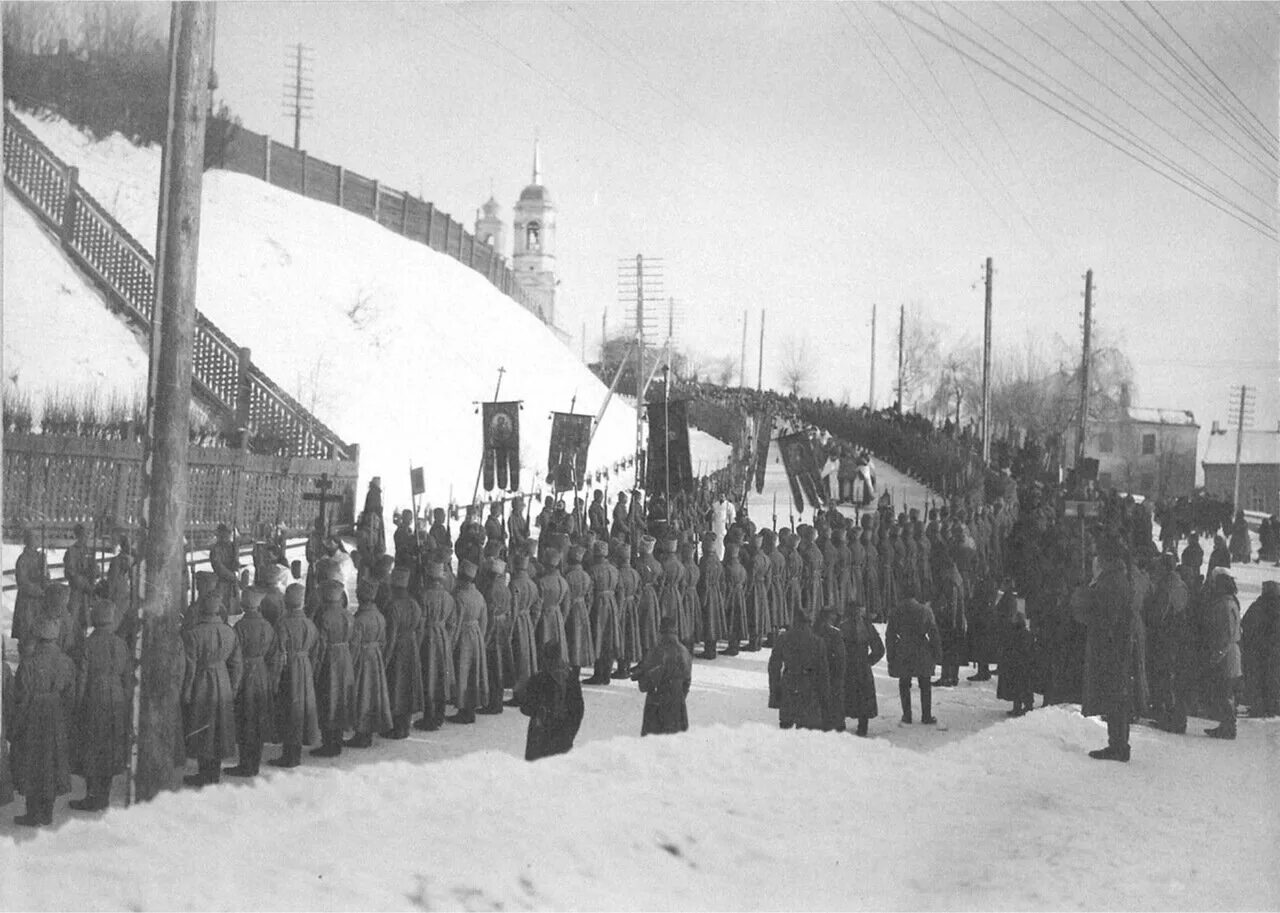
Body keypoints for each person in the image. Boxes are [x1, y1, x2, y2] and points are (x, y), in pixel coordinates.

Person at [11, 617, 76, 826]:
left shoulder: (28, 663)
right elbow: (71, 696)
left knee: (32, 761)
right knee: (53, 761)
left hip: (33, 715)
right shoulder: (66, 662)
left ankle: (32, 813)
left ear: (37, 635)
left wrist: (15, 727)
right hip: (56, 715)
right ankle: (47, 813)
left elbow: (20, 697)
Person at [68, 599, 131, 811]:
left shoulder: (87, 644)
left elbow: (82, 678)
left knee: (92, 745)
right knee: (111, 745)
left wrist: (76, 705)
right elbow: (128, 677)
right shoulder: (121, 643)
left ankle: (91, 796)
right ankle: (103, 795)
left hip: (94, 695)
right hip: (117, 696)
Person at [181, 588, 243, 786]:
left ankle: (204, 773)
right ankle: (213, 772)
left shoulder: (193, 634)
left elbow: (189, 667)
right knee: (218, 728)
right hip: (223, 680)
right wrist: (233, 688)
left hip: (202, 682)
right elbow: (237, 664)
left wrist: (186, 691)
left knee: (202, 726)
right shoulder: (229, 632)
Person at [1082, 536, 1134, 761]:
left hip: (1111, 647)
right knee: (1117, 696)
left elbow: (1102, 616)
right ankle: (1119, 743)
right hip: (1118, 646)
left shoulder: (1110, 582)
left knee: (1115, 696)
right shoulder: (1118, 578)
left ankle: (1118, 745)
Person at [223, 589, 277, 777]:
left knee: (245, 718)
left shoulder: (239, 627)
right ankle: (255, 762)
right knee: (259, 718)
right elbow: (274, 655)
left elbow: (233, 655)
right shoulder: (268, 626)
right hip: (262, 673)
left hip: (245, 674)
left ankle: (245, 763)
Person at [269, 584, 320, 768]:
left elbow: (279, 653)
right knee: (302, 710)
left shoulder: (283, 624)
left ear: (286, 601)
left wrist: (274, 680)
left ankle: (289, 755)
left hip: (288, 670)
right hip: (305, 668)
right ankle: (296, 753)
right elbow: (316, 652)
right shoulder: (310, 624)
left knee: (289, 710)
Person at [346, 578, 393, 747]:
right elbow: (384, 641)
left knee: (362, 695)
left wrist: (349, 664)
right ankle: (369, 731)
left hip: (363, 659)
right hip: (376, 658)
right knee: (374, 694)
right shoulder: (379, 616)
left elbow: (354, 645)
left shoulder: (359, 619)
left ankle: (361, 734)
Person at [311, 580, 355, 757]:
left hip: (330, 659)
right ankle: (338, 738)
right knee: (341, 698)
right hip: (345, 657)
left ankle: (328, 743)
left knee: (327, 698)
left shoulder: (323, 616)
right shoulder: (348, 615)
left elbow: (319, 645)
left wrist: (315, 667)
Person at [521, 641, 585, 761]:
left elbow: (525, 708)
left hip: (539, 738)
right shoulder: (571, 678)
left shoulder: (537, 679)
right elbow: (578, 710)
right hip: (564, 737)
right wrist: (570, 734)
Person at [767, 609, 830, 730]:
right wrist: (824, 696)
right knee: (807, 729)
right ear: (809, 623)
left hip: (789, 684)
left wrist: (775, 692)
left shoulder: (783, 638)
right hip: (810, 686)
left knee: (786, 726)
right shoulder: (818, 641)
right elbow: (823, 672)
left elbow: (773, 667)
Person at [381, 567, 424, 738]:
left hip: (398, 647)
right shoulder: (414, 603)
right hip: (412, 645)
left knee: (397, 685)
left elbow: (390, 636)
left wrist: (385, 658)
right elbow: (420, 629)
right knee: (409, 685)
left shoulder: (393, 606)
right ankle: (405, 725)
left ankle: (397, 728)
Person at [632, 616, 692, 735]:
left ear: (660, 631)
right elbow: (687, 681)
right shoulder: (684, 651)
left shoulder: (657, 651)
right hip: (678, 703)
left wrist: (640, 678)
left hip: (657, 703)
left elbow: (647, 682)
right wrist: (680, 695)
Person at [886, 596, 941, 725]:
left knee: (904, 683)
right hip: (922, 649)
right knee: (925, 683)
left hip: (903, 649)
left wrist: (891, 654)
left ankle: (907, 715)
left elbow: (890, 635)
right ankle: (926, 715)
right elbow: (934, 633)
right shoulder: (925, 610)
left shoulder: (895, 611)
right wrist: (936, 652)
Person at [415, 562, 456, 732]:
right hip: (443, 637)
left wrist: (417, 643)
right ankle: (440, 714)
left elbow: (421, 623)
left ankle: (429, 717)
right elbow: (452, 623)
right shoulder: (448, 597)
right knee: (441, 675)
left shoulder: (424, 596)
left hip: (428, 637)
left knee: (429, 675)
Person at [1203, 569, 1242, 739]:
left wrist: (1217, 654)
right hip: (1230, 652)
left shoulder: (1225, 605)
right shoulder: (1230, 602)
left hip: (1226, 653)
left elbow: (1226, 633)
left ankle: (1228, 726)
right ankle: (1226, 724)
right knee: (1226, 690)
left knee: (1225, 690)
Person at [449, 560, 489, 724]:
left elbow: (455, 623)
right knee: (474, 672)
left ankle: (463, 709)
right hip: (477, 634)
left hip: (463, 636)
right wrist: (482, 637)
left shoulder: (459, 597)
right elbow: (484, 620)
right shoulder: (479, 595)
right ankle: (471, 707)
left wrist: (451, 643)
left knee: (463, 672)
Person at [842, 602, 884, 737]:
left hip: (846, 666)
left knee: (844, 694)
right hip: (862, 666)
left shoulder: (841, 626)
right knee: (863, 697)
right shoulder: (866, 627)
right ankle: (862, 727)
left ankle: (840, 725)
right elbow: (879, 649)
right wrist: (868, 661)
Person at [1241, 580, 1280, 718]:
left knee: (1257, 679)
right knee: (1273, 679)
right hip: (1274, 652)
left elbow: (1246, 623)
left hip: (1258, 650)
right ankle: (1273, 706)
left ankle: (1259, 707)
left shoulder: (1259, 606)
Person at [584, 541, 621, 685]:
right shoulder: (614, 569)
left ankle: (598, 674)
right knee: (610, 639)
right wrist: (618, 607)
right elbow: (621, 591)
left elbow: (589, 594)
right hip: (612, 605)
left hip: (598, 606)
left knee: (598, 638)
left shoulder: (592, 570)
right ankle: (607, 673)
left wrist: (587, 610)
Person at [479, 558, 513, 713]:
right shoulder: (505, 587)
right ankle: (497, 700)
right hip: (504, 626)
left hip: (494, 630)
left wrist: (486, 637)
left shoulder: (491, 588)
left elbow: (490, 615)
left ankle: (493, 703)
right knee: (499, 665)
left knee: (492, 666)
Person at [508, 553, 541, 699]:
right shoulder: (533, 585)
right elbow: (537, 607)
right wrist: (532, 623)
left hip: (517, 622)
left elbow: (513, 608)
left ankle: (519, 693)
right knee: (527, 656)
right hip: (527, 621)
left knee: (518, 657)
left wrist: (509, 630)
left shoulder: (514, 584)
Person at [997, 606, 1035, 717]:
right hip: (1023, 664)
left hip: (1016, 664)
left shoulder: (1013, 633)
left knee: (1017, 687)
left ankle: (1020, 707)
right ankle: (1026, 706)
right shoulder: (1025, 633)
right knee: (1024, 687)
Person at [12, 530, 48, 646]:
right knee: (26, 633)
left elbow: (46, 577)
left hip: (39, 602)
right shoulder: (22, 559)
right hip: (27, 603)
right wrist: (38, 591)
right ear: (27, 541)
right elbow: (22, 582)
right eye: (34, 538)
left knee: (39, 632)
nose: (37, 541)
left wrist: (45, 574)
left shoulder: (41, 558)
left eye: (38, 538)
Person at [815, 609, 847, 732]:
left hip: (818, 673)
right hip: (833, 673)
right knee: (835, 700)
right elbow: (841, 658)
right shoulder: (835, 634)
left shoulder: (814, 632)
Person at [63, 523, 98, 631]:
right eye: (83, 535)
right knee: (73, 620)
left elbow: (95, 571)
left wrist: (96, 571)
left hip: (87, 595)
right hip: (76, 592)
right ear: (79, 535)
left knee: (85, 621)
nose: (86, 538)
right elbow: (71, 573)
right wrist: (85, 584)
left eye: (87, 535)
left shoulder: (89, 551)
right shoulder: (71, 551)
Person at [209, 523, 240, 621]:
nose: (226, 537)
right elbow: (218, 567)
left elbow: (236, 562)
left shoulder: (232, 546)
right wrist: (233, 576)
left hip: (232, 583)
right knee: (222, 609)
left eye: (228, 534)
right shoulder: (215, 549)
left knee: (233, 611)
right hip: (221, 582)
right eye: (224, 535)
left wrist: (236, 567)